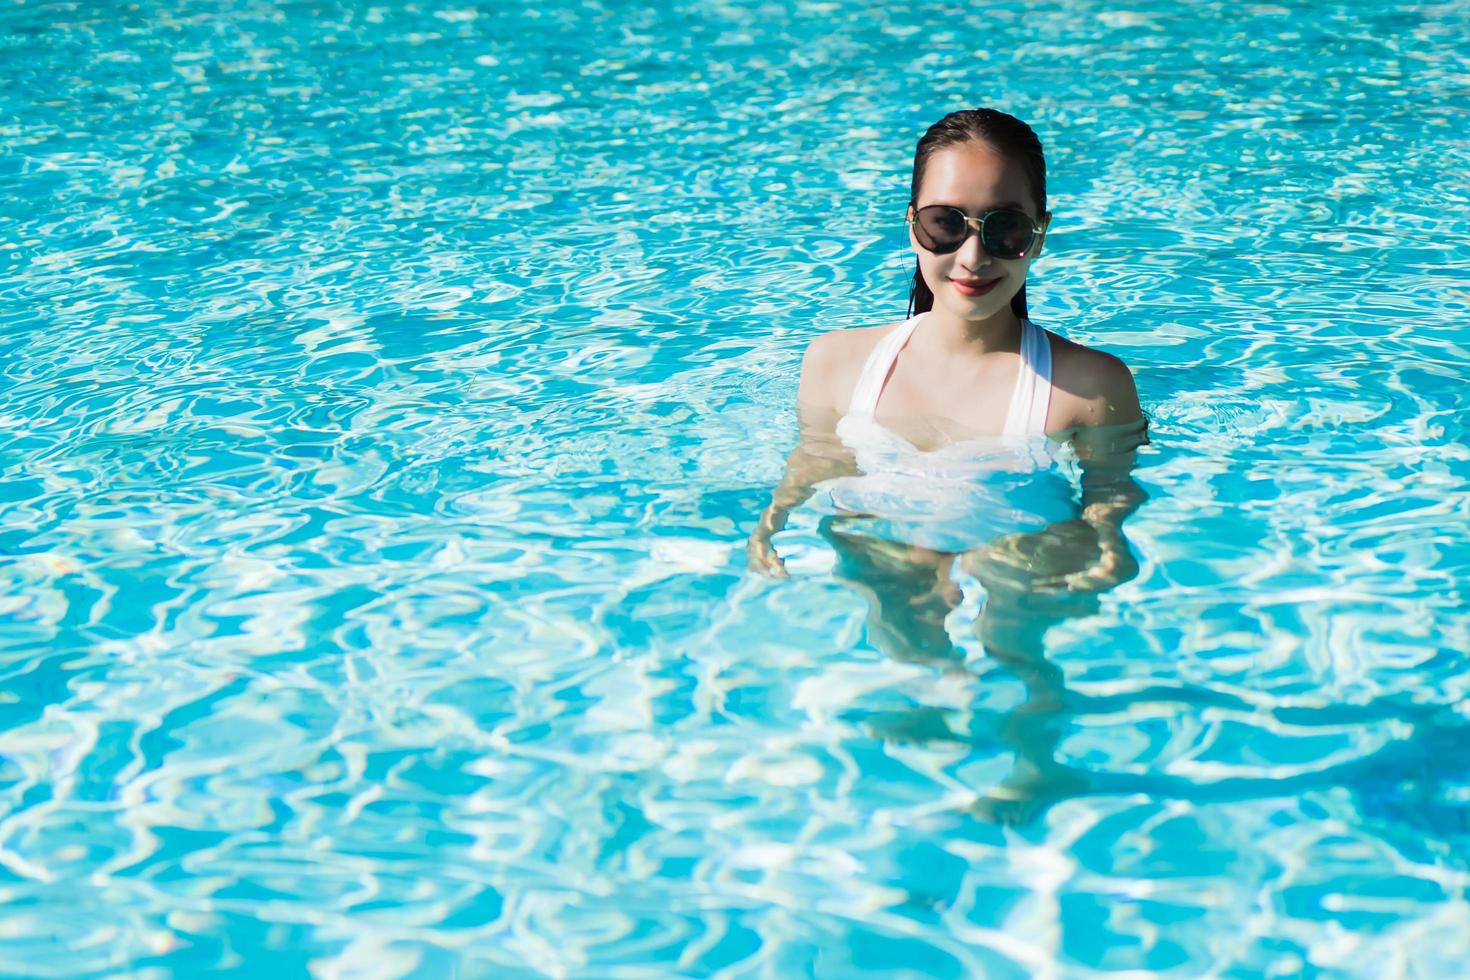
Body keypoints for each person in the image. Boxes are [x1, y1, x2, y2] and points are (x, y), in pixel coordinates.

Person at [746, 107, 1150, 821]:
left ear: (1039, 234)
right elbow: (817, 457)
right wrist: (776, 515)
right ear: (912, 226)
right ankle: (931, 698)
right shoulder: (836, 362)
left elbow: (1109, 490)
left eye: (1005, 230)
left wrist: (1111, 539)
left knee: (1007, 601)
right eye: (947, 224)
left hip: (1023, 539)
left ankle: (1034, 763)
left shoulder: (1089, 386)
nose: (973, 257)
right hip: (895, 530)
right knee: (866, 548)